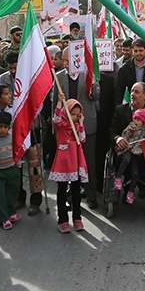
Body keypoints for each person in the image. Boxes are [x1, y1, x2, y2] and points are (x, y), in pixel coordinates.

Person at [55, 44, 100, 208]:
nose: (66, 63)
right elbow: (56, 102)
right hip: (66, 129)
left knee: (88, 161)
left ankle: (91, 195)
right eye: (64, 60)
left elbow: (96, 97)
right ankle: (70, 196)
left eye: (69, 60)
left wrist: (93, 82)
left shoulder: (87, 75)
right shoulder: (59, 77)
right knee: (68, 163)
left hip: (84, 125)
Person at [50, 96, 88, 232]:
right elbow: (56, 118)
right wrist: (59, 102)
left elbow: (82, 139)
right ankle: (63, 220)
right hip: (64, 163)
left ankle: (77, 218)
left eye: (77, 115)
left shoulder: (77, 126)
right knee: (62, 191)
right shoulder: (60, 127)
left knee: (76, 191)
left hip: (76, 161)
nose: (75, 118)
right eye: (72, 114)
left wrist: (81, 124)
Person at [113, 108, 145, 204]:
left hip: (138, 154)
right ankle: (118, 178)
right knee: (126, 159)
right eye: (135, 119)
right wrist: (124, 139)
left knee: (135, 172)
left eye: (138, 120)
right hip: (128, 148)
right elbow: (125, 135)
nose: (135, 121)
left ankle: (131, 192)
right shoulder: (131, 127)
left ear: (144, 122)